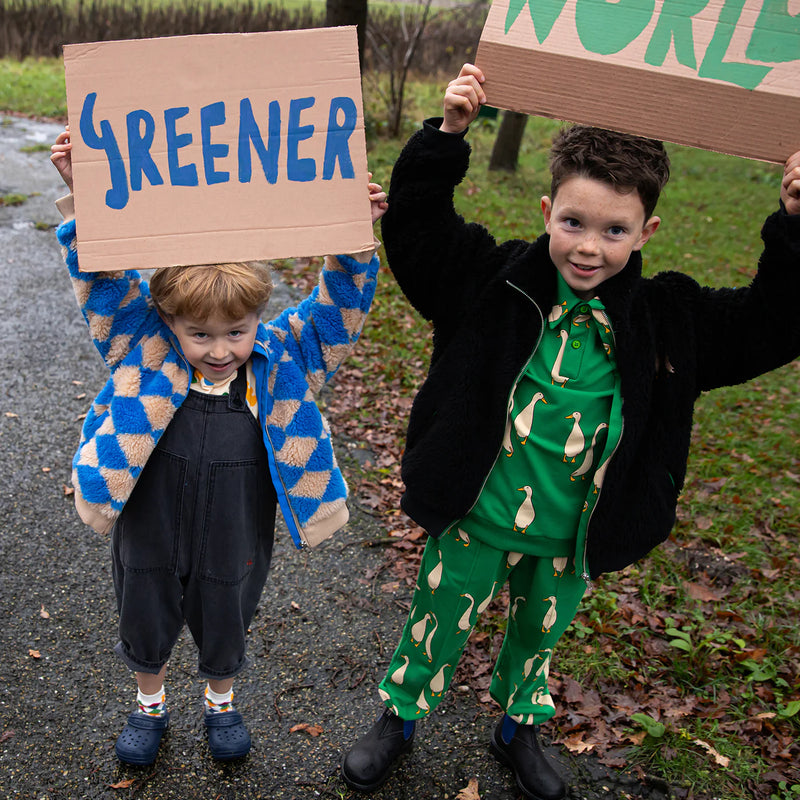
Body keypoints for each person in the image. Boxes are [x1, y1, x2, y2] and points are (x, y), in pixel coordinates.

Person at [341, 63, 800, 800]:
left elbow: (770, 325)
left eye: (614, 231)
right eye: (574, 224)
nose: (589, 247)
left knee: (537, 637)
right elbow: (420, 234)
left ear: (646, 230)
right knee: (439, 618)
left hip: (571, 534)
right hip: (476, 514)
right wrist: (448, 135)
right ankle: (398, 715)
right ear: (549, 210)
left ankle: (520, 725)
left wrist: (795, 228)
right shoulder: (493, 283)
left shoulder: (668, 320)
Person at [50, 127, 387, 766]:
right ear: (167, 321)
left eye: (236, 331)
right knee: (144, 605)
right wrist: (82, 201)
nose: (219, 349)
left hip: (235, 524)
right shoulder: (142, 347)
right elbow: (100, 282)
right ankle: (149, 704)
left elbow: (335, 316)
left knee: (228, 602)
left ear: (258, 320)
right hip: (151, 521)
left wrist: (353, 245)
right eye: (198, 333)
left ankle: (219, 702)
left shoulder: (282, 358)